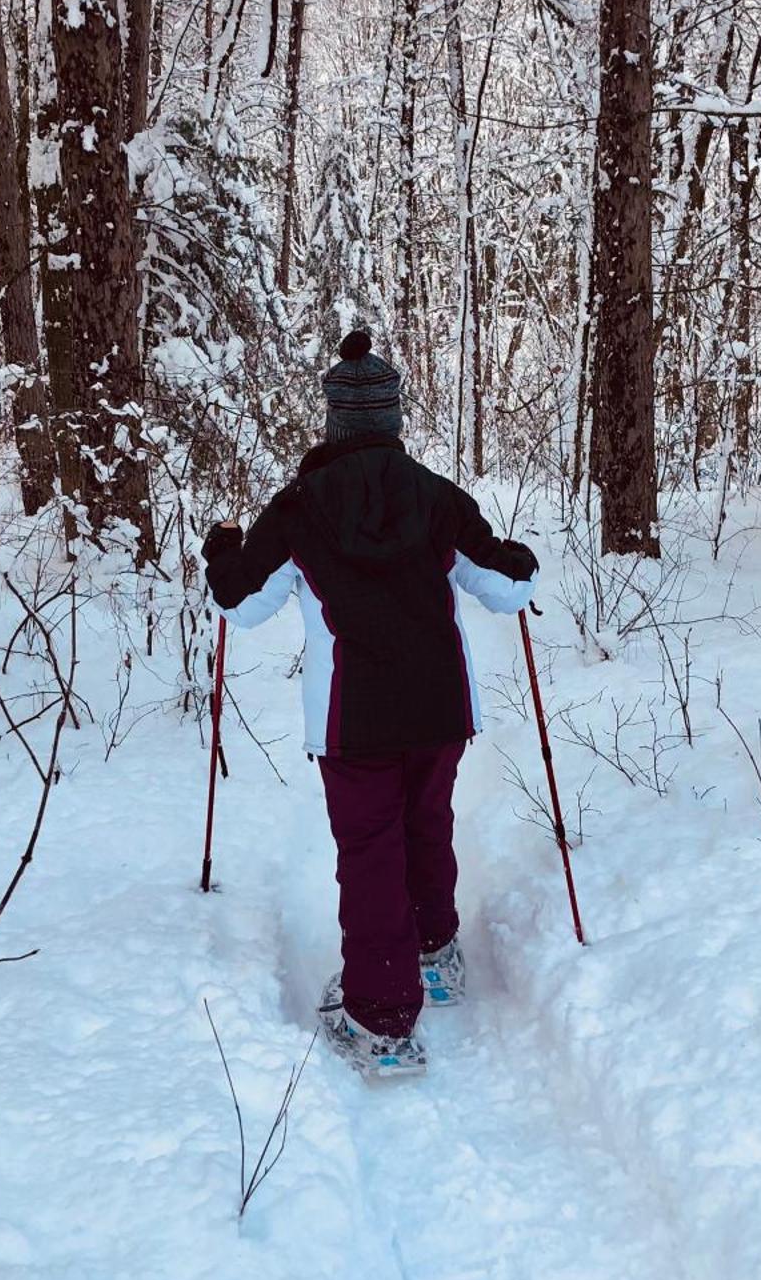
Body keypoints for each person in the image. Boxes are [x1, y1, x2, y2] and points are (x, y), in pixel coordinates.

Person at [203, 331, 539, 1079]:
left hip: (352, 720)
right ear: (390, 420)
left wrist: (221, 554)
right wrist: (517, 557)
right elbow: (507, 587)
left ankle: (383, 1022)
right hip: (438, 709)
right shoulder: (438, 498)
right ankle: (434, 955)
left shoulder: (299, 509)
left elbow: (242, 603)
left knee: (371, 854)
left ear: (334, 422)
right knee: (425, 827)